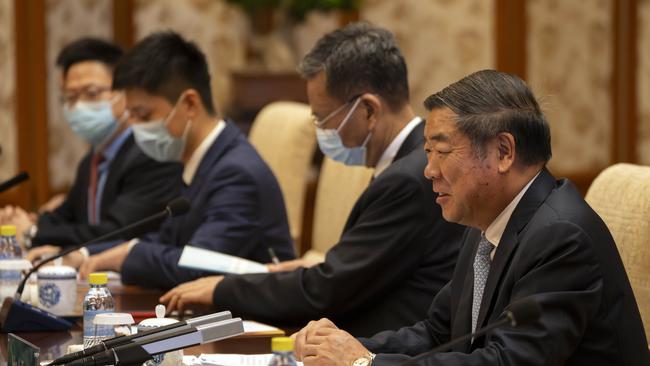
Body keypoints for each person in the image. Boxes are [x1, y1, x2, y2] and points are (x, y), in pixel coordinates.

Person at [292, 70, 650, 366]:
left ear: (503, 151)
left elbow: (508, 362)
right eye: (427, 152)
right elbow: (439, 333)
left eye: (442, 152)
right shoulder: (488, 221)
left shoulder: (561, 238)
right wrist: (341, 347)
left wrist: (365, 363)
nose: (429, 170)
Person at [160, 23, 465, 337]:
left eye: (323, 118)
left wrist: (222, 290)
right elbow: (351, 270)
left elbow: (327, 290)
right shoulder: (409, 160)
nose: (321, 130)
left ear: (368, 110)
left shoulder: (409, 179)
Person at [76, 31, 295, 289]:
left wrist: (128, 256)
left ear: (189, 104)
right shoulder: (201, 159)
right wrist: (84, 254)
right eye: (131, 115)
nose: (134, 127)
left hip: (261, 323)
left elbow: (200, 266)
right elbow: (167, 240)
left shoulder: (237, 173)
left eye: (143, 115)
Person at [0, 38, 182, 261]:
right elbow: (67, 216)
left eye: (92, 93)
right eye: (71, 97)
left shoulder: (151, 153)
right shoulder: (92, 161)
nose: (79, 106)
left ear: (125, 94)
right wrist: (22, 221)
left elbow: (118, 230)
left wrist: (31, 232)